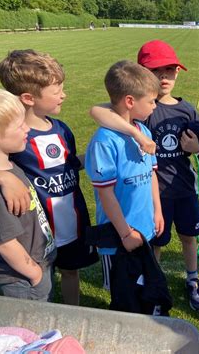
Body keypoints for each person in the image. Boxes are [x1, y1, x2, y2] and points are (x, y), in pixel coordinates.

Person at [90, 40, 199, 311]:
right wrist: (136, 133)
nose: (164, 76)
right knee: (154, 244)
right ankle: (150, 280)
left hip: (181, 189)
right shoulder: (141, 113)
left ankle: (190, 281)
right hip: (152, 197)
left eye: (170, 69)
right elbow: (98, 111)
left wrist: (197, 148)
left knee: (187, 237)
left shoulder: (183, 109)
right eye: (157, 70)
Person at [0, 49, 99, 306]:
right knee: (40, 280)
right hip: (35, 234)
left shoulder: (62, 130)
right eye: (57, 90)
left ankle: (73, 312)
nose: (64, 94)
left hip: (70, 219)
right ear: (29, 97)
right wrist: (4, 179)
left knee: (71, 271)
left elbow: (69, 165)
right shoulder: (9, 139)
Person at [85, 60, 171, 314]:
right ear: (130, 101)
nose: (155, 106)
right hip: (118, 237)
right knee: (122, 298)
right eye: (151, 101)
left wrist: (157, 210)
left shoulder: (142, 130)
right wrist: (124, 233)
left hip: (144, 227)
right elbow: (105, 193)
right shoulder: (104, 141)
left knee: (144, 285)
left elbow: (152, 175)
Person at [0, 85, 56, 301]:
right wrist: (35, 274)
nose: (27, 128)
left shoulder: (9, 166)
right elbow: (5, 243)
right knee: (30, 328)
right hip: (22, 278)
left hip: (37, 262)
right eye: (20, 125)